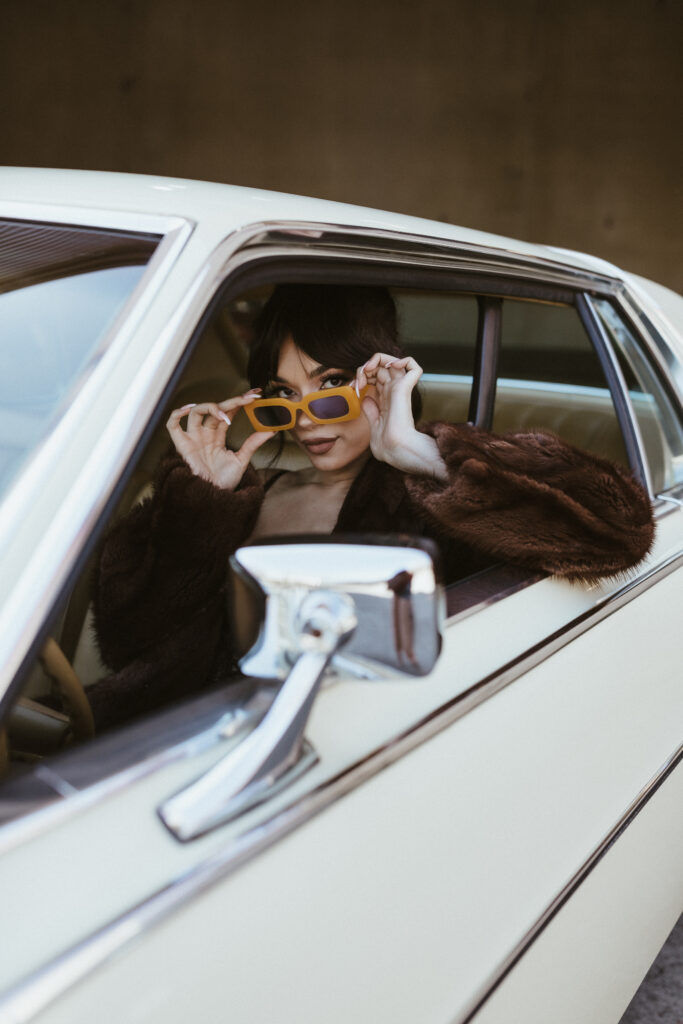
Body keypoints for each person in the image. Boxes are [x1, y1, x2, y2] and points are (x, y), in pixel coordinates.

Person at [90, 285, 654, 730]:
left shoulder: (432, 500)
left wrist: (422, 454)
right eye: (283, 396)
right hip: (194, 751)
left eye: (331, 382)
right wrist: (200, 507)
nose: (307, 417)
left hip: (355, 760)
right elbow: (126, 645)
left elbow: (616, 530)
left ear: (381, 377)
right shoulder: (244, 497)